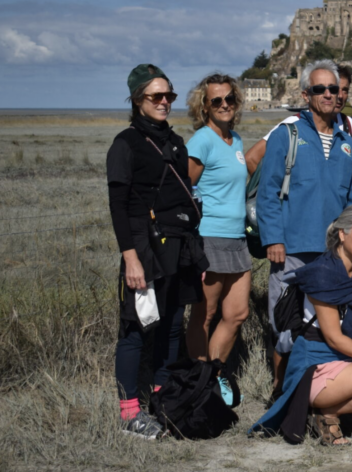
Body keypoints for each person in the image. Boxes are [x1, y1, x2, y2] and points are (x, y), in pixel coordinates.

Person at [252, 205, 352, 445]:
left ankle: (332, 410)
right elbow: (334, 338)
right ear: (342, 234)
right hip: (319, 364)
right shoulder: (322, 272)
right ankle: (326, 409)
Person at [107, 64, 207, 439]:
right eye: (156, 96)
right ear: (137, 100)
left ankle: (163, 401)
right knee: (136, 329)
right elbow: (119, 207)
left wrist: (194, 256)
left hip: (179, 248)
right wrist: (130, 257)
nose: (165, 102)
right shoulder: (125, 144)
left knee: (169, 328)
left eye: (169, 96)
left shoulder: (177, 143)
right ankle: (129, 413)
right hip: (144, 251)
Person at [257, 60, 352, 396]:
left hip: (332, 254)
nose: (329, 95)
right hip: (291, 248)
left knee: (326, 325)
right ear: (306, 95)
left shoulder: (348, 145)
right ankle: (281, 390)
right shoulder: (287, 135)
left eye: (334, 89)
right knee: (286, 323)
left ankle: (318, 393)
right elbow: (268, 192)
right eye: (321, 89)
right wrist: (273, 237)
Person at [183, 73, 251, 405]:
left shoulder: (234, 139)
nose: (224, 105)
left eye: (229, 99)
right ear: (204, 107)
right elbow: (184, 190)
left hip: (237, 239)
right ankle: (200, 381)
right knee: (205, 315)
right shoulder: (202, 140)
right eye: (216, 101)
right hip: (208, 237)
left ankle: (215, 374)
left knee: (237, 314)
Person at [244, 62, 352, 174]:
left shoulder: (350, 125)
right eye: (321, 89)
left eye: (342, 90)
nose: (339, 96)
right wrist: (278, 193)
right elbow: (251, 158)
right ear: (306, 96)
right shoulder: (292, 125)